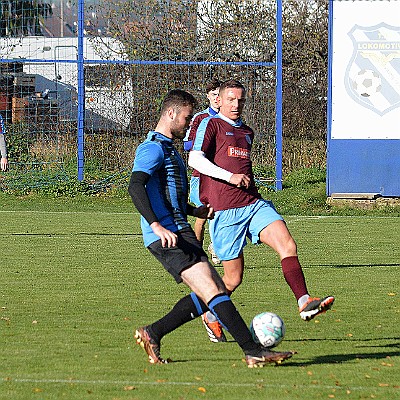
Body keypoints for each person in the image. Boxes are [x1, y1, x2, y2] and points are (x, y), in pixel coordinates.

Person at [128, 88, 294, 368]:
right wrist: (156, 225)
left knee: (211, 291)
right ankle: (253, 351)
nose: (189, 123)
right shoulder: (152, 148)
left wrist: (194, 211)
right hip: (166, 236)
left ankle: (152, 333)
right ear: (171, 114)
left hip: (181, 229)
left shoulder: (170, 150)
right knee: (214, 290)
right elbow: (135, 187)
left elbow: (167, 195)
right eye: (186, 118)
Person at [188, 79, 335, 342]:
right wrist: (229, 177)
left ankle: (304, 301)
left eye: (240, 100)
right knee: (232, 280)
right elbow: (195, 159)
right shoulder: (211, 125)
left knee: (288, 245)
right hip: (226, 211)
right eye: (231, 99)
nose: (236, 104)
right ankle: (210, 316)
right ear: (219, 100)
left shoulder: (246, 131)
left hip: (253, 204)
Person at [184, 78, 221, 265]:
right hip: (201, 176)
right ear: (208, 96)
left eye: (219, 94)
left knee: (218, 214)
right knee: (202, 216)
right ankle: (197, 253)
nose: (216, 98)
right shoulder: (200, 118)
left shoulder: (229, 119)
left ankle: (216, 248)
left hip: (221, 177)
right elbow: (187, 144)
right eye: (213, 94)